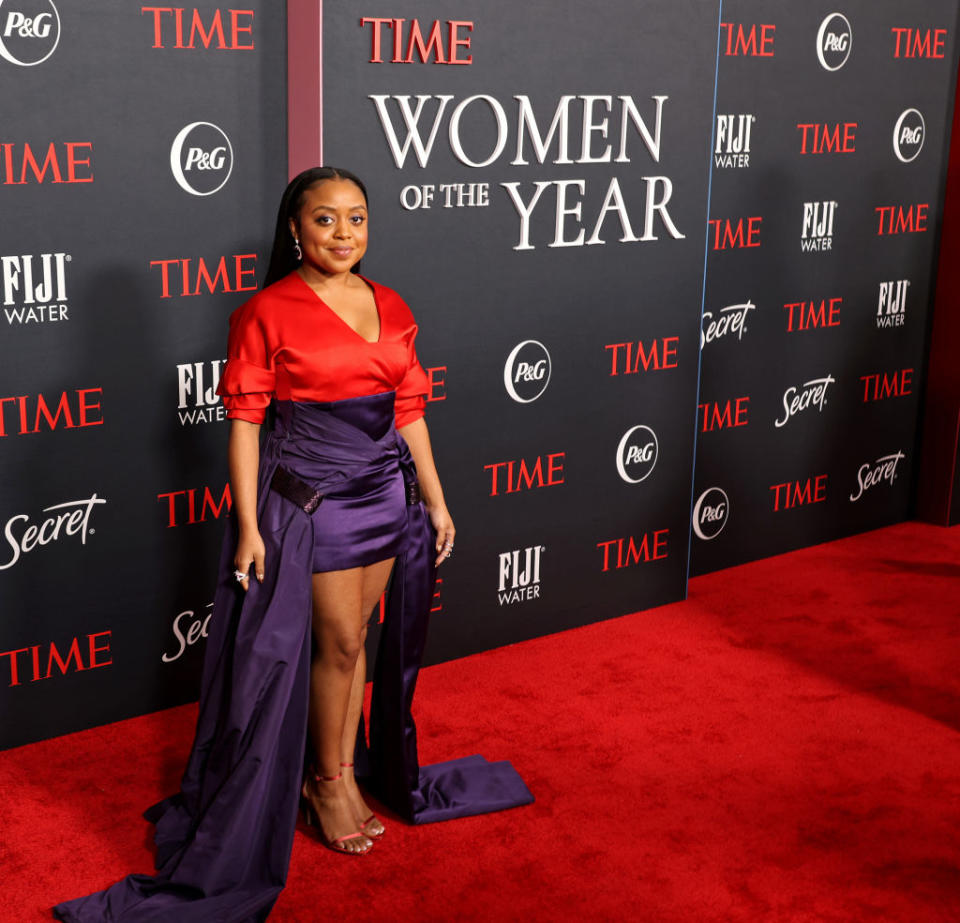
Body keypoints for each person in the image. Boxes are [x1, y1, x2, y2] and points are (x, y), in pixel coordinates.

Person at [53, 166, 531, 923]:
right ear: (294, 229)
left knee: (356, 641)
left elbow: (410, 412)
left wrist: (436, 500)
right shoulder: (265, 312)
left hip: (386, 494)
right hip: (313, 501)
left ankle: (336, 766)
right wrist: (248, 524)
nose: (344, 234)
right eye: (326, 220)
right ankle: (328, 782)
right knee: (338, 644)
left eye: (357, 219)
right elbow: (245, 422)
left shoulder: (392, 303)